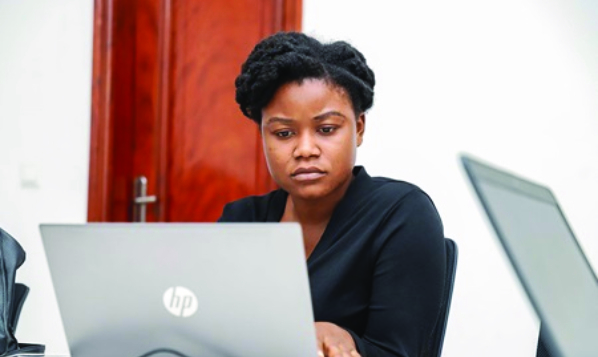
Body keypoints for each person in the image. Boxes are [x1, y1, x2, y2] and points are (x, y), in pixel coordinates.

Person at [218, 32, 447, 357]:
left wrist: (340, 337)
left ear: (359, 128)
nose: (305, 149)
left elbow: (401, 351)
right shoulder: (241, 221)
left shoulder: (401, 214)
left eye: (326, 129)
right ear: (263, 136)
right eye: (284, 133)